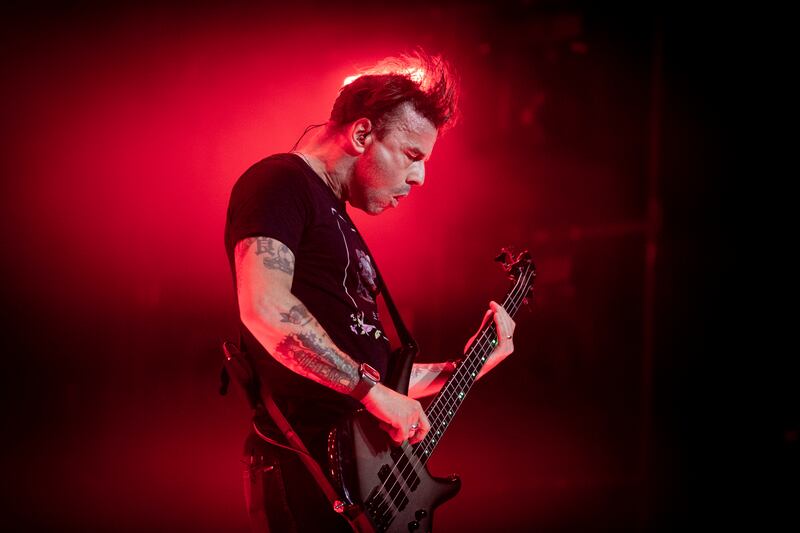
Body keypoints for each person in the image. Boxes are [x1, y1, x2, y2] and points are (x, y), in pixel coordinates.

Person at [224, 51, 516, 532]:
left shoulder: (340, 220)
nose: (420, 177)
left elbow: (377, 375)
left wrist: (468, 366)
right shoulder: (280, 183)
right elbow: (265, 307)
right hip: (309, 477)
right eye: (412, 155)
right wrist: (371, 392)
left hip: (360, 486)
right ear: (362, 134)